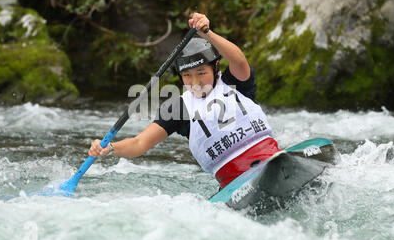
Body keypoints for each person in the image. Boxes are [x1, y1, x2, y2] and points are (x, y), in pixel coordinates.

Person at [88, 13, 282, 189]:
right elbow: (139, 143)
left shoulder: (234, 81)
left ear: (215, 67)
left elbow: (239, 59)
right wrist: (111, 148)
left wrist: (207, 34)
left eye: (201, 73)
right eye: (187, 76)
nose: (195, 82)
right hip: (233, 183)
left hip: (272, 160)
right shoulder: (178, 108)